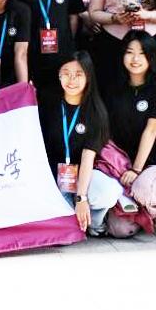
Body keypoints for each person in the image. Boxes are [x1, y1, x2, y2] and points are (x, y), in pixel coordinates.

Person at [37, 52, 122, 236]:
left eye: (78, 74)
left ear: (88, 76)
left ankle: (95, 220)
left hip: (84, 175)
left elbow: (87, 158)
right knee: (62, 228)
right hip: (53, 177)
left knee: (108, 192)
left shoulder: (96, 111)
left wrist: (81, 197)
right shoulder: (47, 102)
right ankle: (79, 219)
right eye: (66, 73)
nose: (72, 80)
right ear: (58, 75)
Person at [105, 31, 156, 235]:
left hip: (154, 164)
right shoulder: (114, 87)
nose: (135, 59)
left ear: (151, 56)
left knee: (145, 190)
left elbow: (151, 130)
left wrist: (136, 170)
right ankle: (140, 212)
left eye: (142, 53)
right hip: (122, 168)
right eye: (130, 52)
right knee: (119, 230)